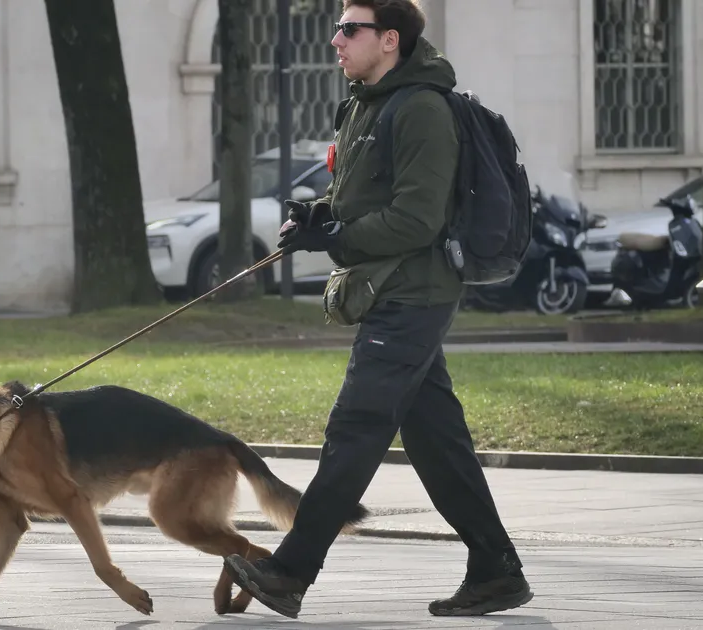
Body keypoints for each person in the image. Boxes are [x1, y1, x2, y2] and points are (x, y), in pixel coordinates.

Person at [221, 0, 533, 620]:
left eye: (349, 29)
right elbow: (363, 197)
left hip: (415, 293)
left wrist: (334, 240)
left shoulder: (421, 108)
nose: (336, 40)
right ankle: (496, 569)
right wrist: (320, 214)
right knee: (437, 441)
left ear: (389, 39)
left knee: (356, 428)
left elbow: (416, 220)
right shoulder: (365, 103)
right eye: (338, 27)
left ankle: (288, 572)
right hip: (389, 288)